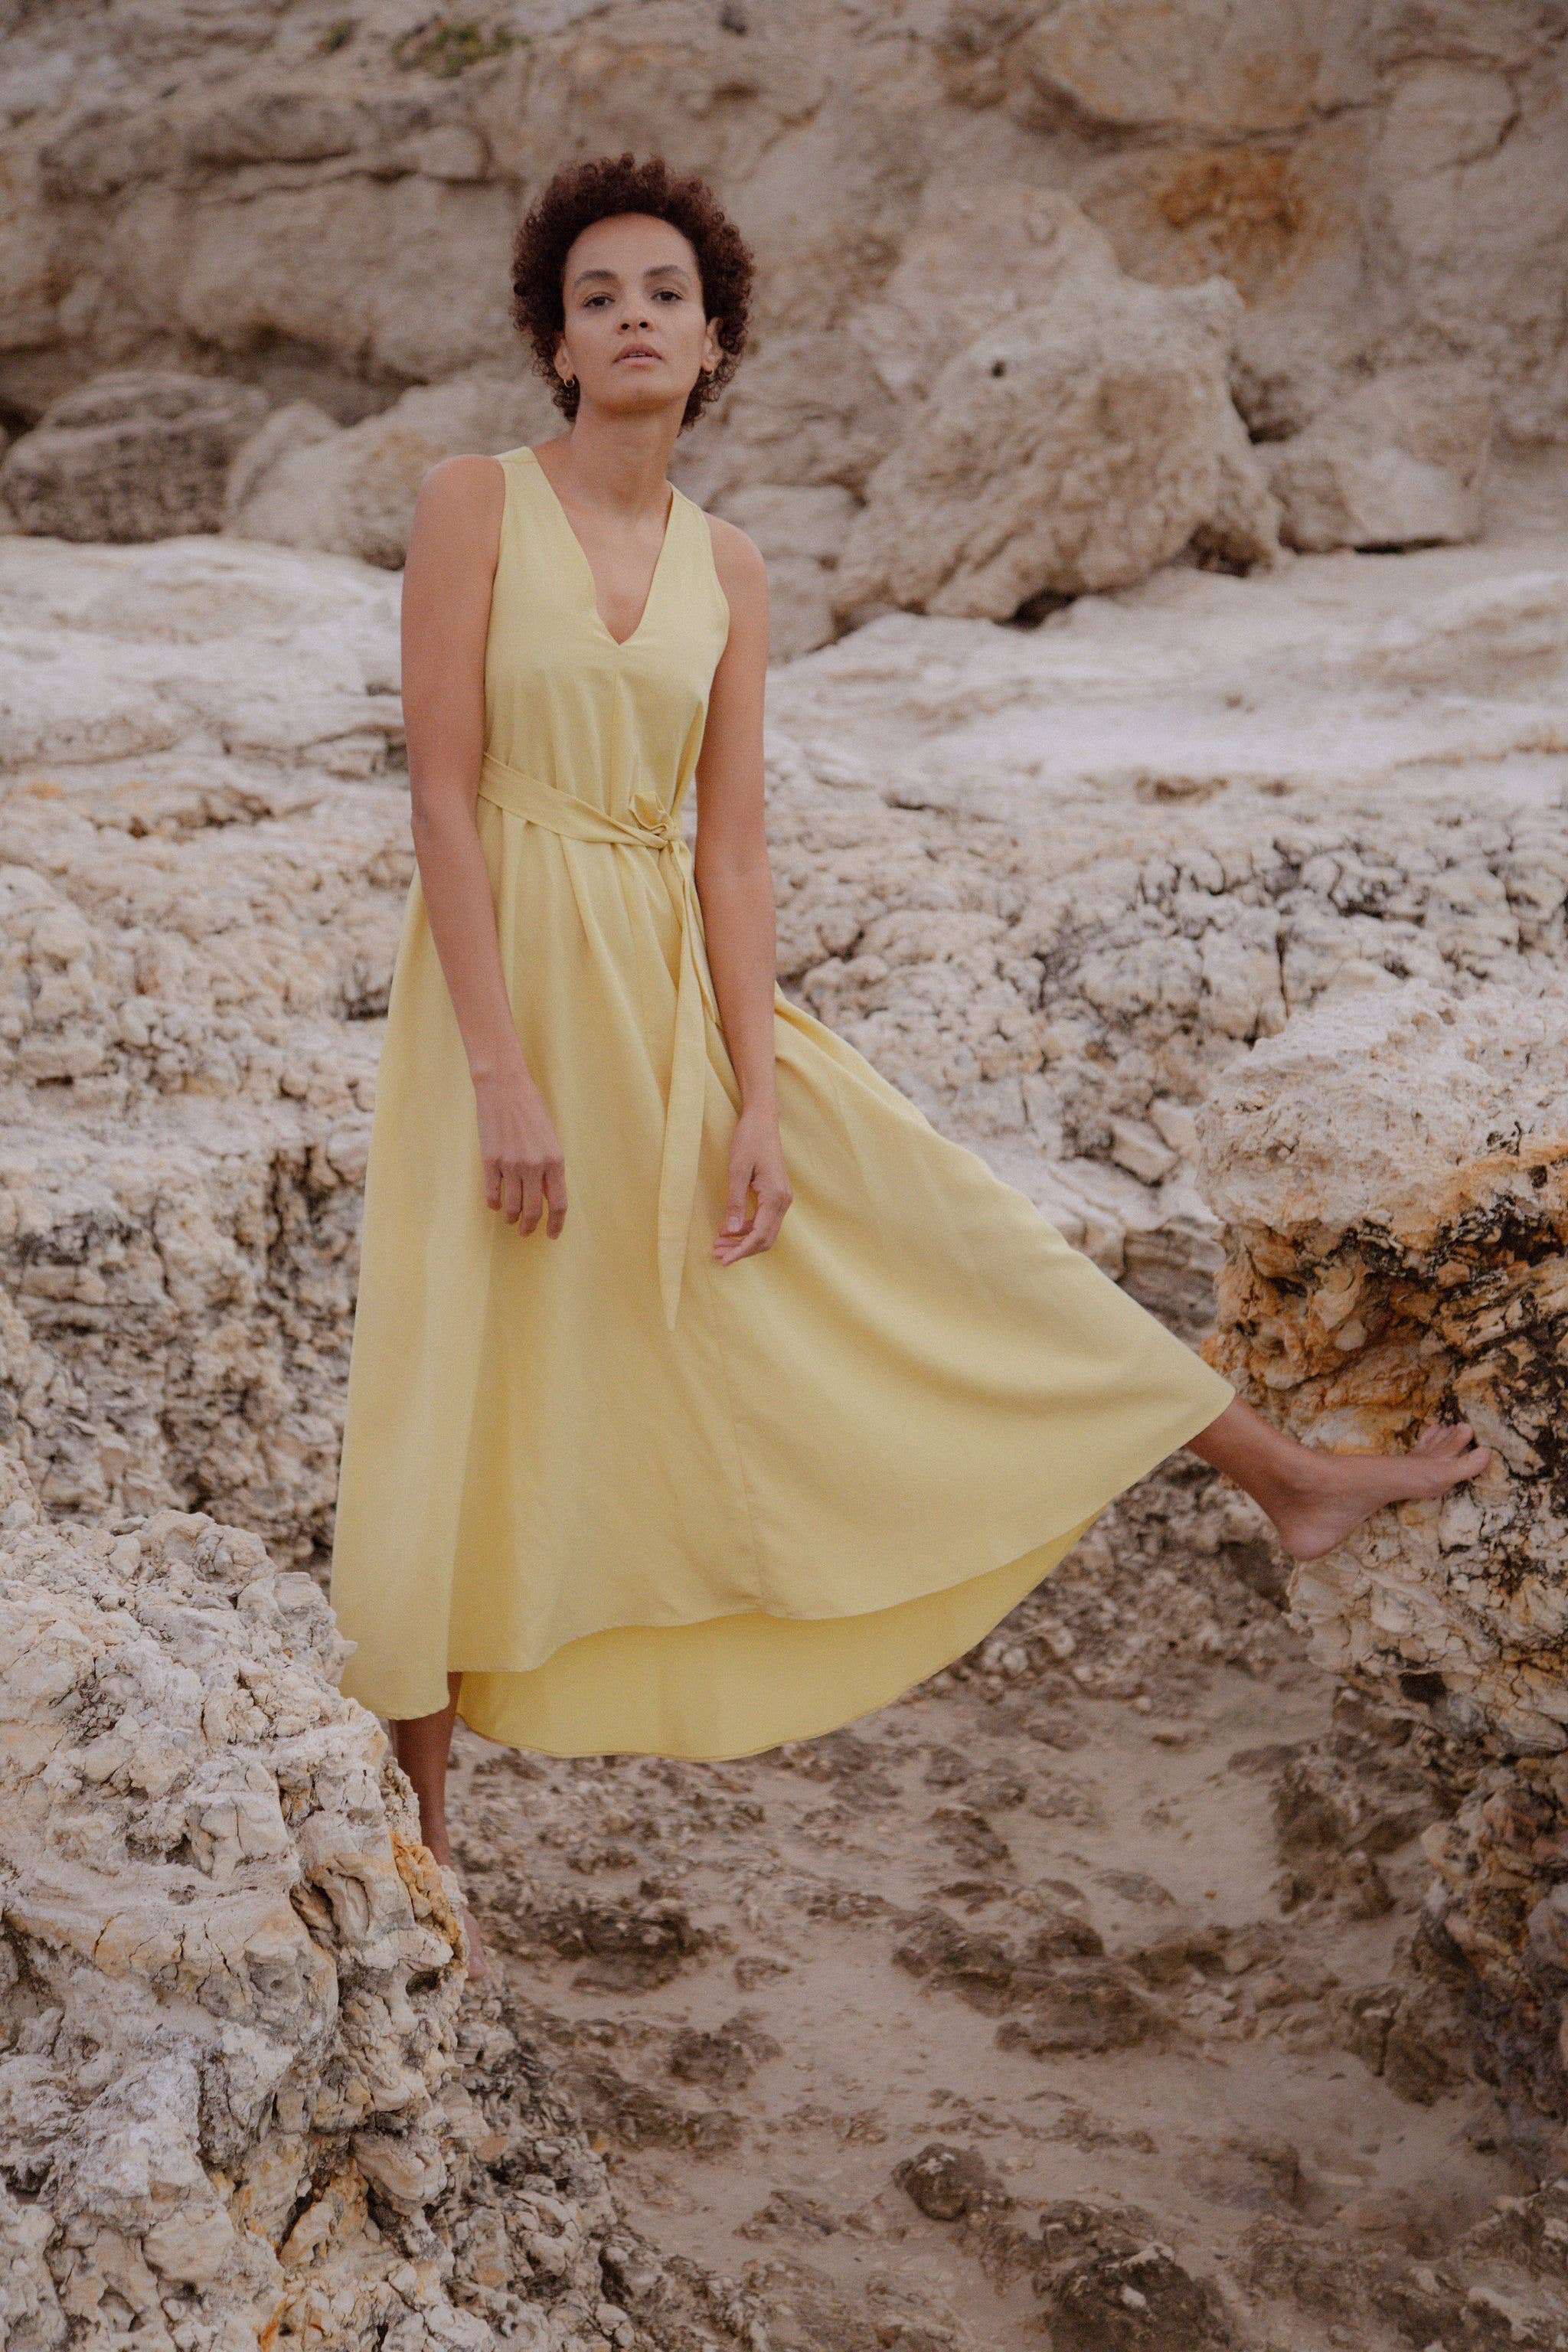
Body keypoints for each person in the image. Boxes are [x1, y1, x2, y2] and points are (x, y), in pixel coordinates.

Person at [327, 153, 1490, 1984]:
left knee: (946, 1229)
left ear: (715, 347)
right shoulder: (475, 505)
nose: (634, 319)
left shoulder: (731, 565)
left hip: (676, 997)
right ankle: (421, 1854)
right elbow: (445, 802)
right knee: (460, 1384)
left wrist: (764, 1094)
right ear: (555, 343)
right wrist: (498, 1073)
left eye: (667, 297)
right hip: (508, 1000)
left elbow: (731, 850)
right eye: (600, 296)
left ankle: (1280, 1480)